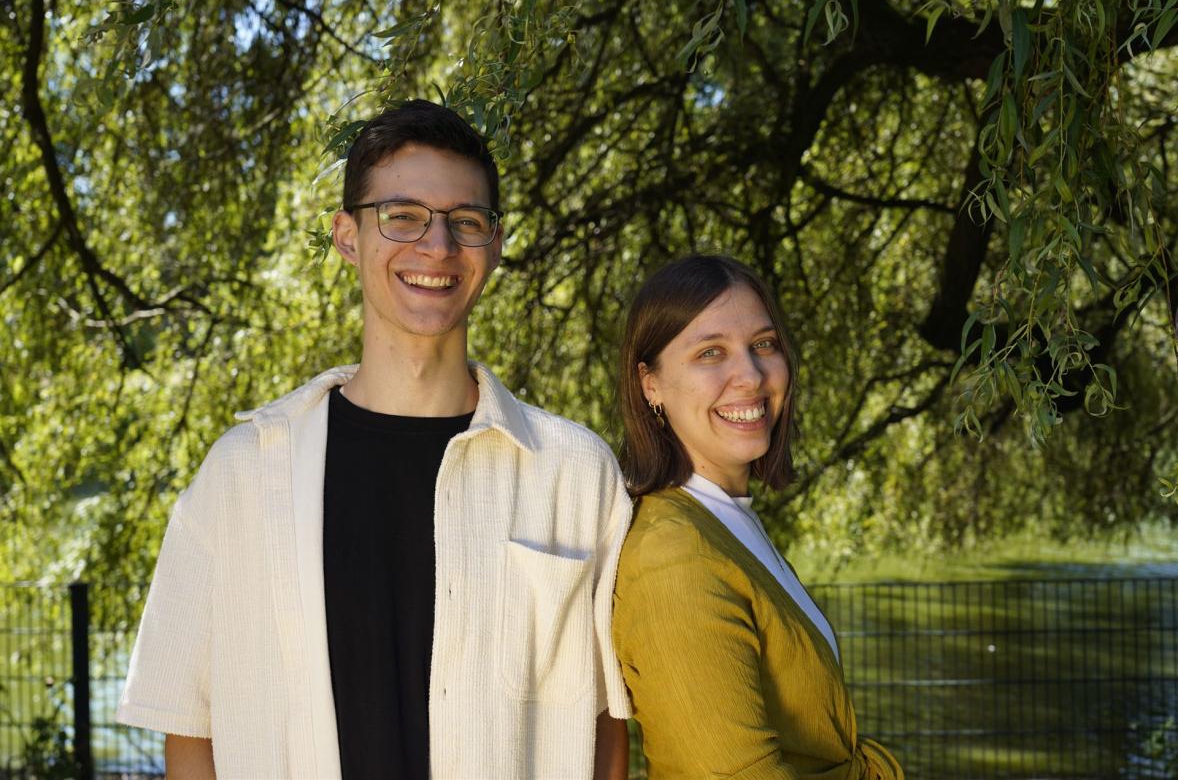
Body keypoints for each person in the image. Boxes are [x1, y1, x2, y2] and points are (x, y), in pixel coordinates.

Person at [117, 100, 632, 780]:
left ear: (496, 245)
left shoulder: (574, 473)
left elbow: (604, 728)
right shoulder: (242, 475)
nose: (437, 246)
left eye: (465, 222)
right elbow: (190, 728)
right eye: (402, 215)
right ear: (346, 235)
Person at [611, 255, 903, 779]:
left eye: (763, 345)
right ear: (650, 383)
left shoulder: (723, 520)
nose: (749, 375)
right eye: (710, 353)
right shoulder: (674, 556)